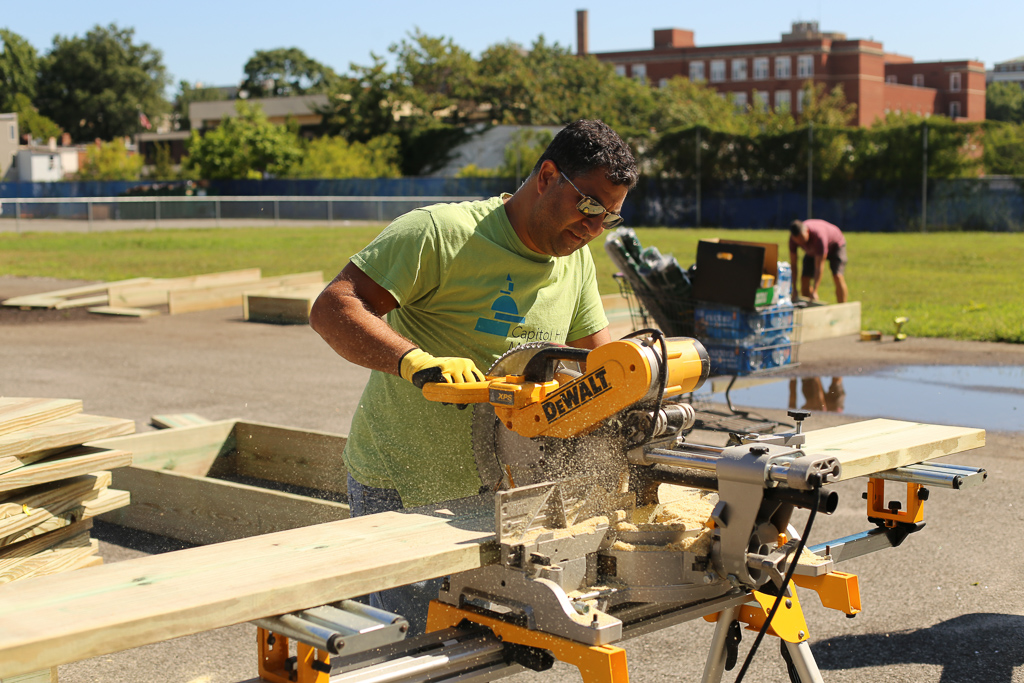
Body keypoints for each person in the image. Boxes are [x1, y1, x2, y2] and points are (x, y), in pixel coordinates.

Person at [309, 119, 639, 633]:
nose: (594, 228)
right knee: (410, 649)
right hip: (405, 483)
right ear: (548, 176)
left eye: (610, 218)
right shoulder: (443, 233)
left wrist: (641, 383)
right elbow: (332, 307)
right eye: (590, 206)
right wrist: (414, 361)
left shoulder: (574, 261)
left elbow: (601, 364)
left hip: (506, 491)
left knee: (482, 648)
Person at [788, 219, 849, 303]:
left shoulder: (819, 237)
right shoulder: (793, 239)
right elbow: (793, 265)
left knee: (837, 276)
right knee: (805, 279)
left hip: (835, 246)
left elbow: (819, 266)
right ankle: (808, 307)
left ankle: (843, 307)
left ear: (807, 231)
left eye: (802, 239)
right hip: (812, 250)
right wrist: (794, 289)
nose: (800, 243)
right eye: (798, 241)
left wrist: (815, 290)